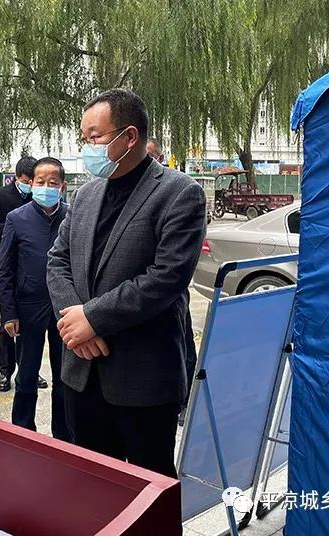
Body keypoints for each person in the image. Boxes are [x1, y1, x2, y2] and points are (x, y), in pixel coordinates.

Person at [47, 89, 206, 478]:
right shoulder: (85, 195)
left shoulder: (179, 193)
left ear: (129, 136)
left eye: (95, 137)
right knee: (93, 484)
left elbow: (167, 277)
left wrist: (93, 318)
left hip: (143, 378)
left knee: (152, 488)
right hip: (82, 372)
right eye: (84, 138)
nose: (87, 148)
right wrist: (76, 324)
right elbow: (57, 260)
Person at [0, 157, 71, 440]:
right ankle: (23, 431)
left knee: (65, 377)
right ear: (31, 184)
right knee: (27, 374)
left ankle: (63, 435)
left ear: (62, 187)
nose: (46, 187)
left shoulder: (73, 216)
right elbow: (5, 269)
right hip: (28, 307)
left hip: (65, 309)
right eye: (40, 182)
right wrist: (8, 313)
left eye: (53, 183)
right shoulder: (17, 218)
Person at [144, 140, 199, 423]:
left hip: (168, 298)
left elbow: (172, 270)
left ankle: (185, 400)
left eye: (150, 157)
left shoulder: (180, 192)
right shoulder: (98, 193)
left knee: (183, 344)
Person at [0, 156, 47, 393]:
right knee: (7, 324)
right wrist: (18, 225)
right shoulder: (0, 196)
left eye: (33, 181)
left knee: (31, 328)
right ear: (17, 177)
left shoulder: (39, 196)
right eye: (26, 180)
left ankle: (29, 368)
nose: (30, 185)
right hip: (9, 267)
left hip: (33, 272)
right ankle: (5, 371)